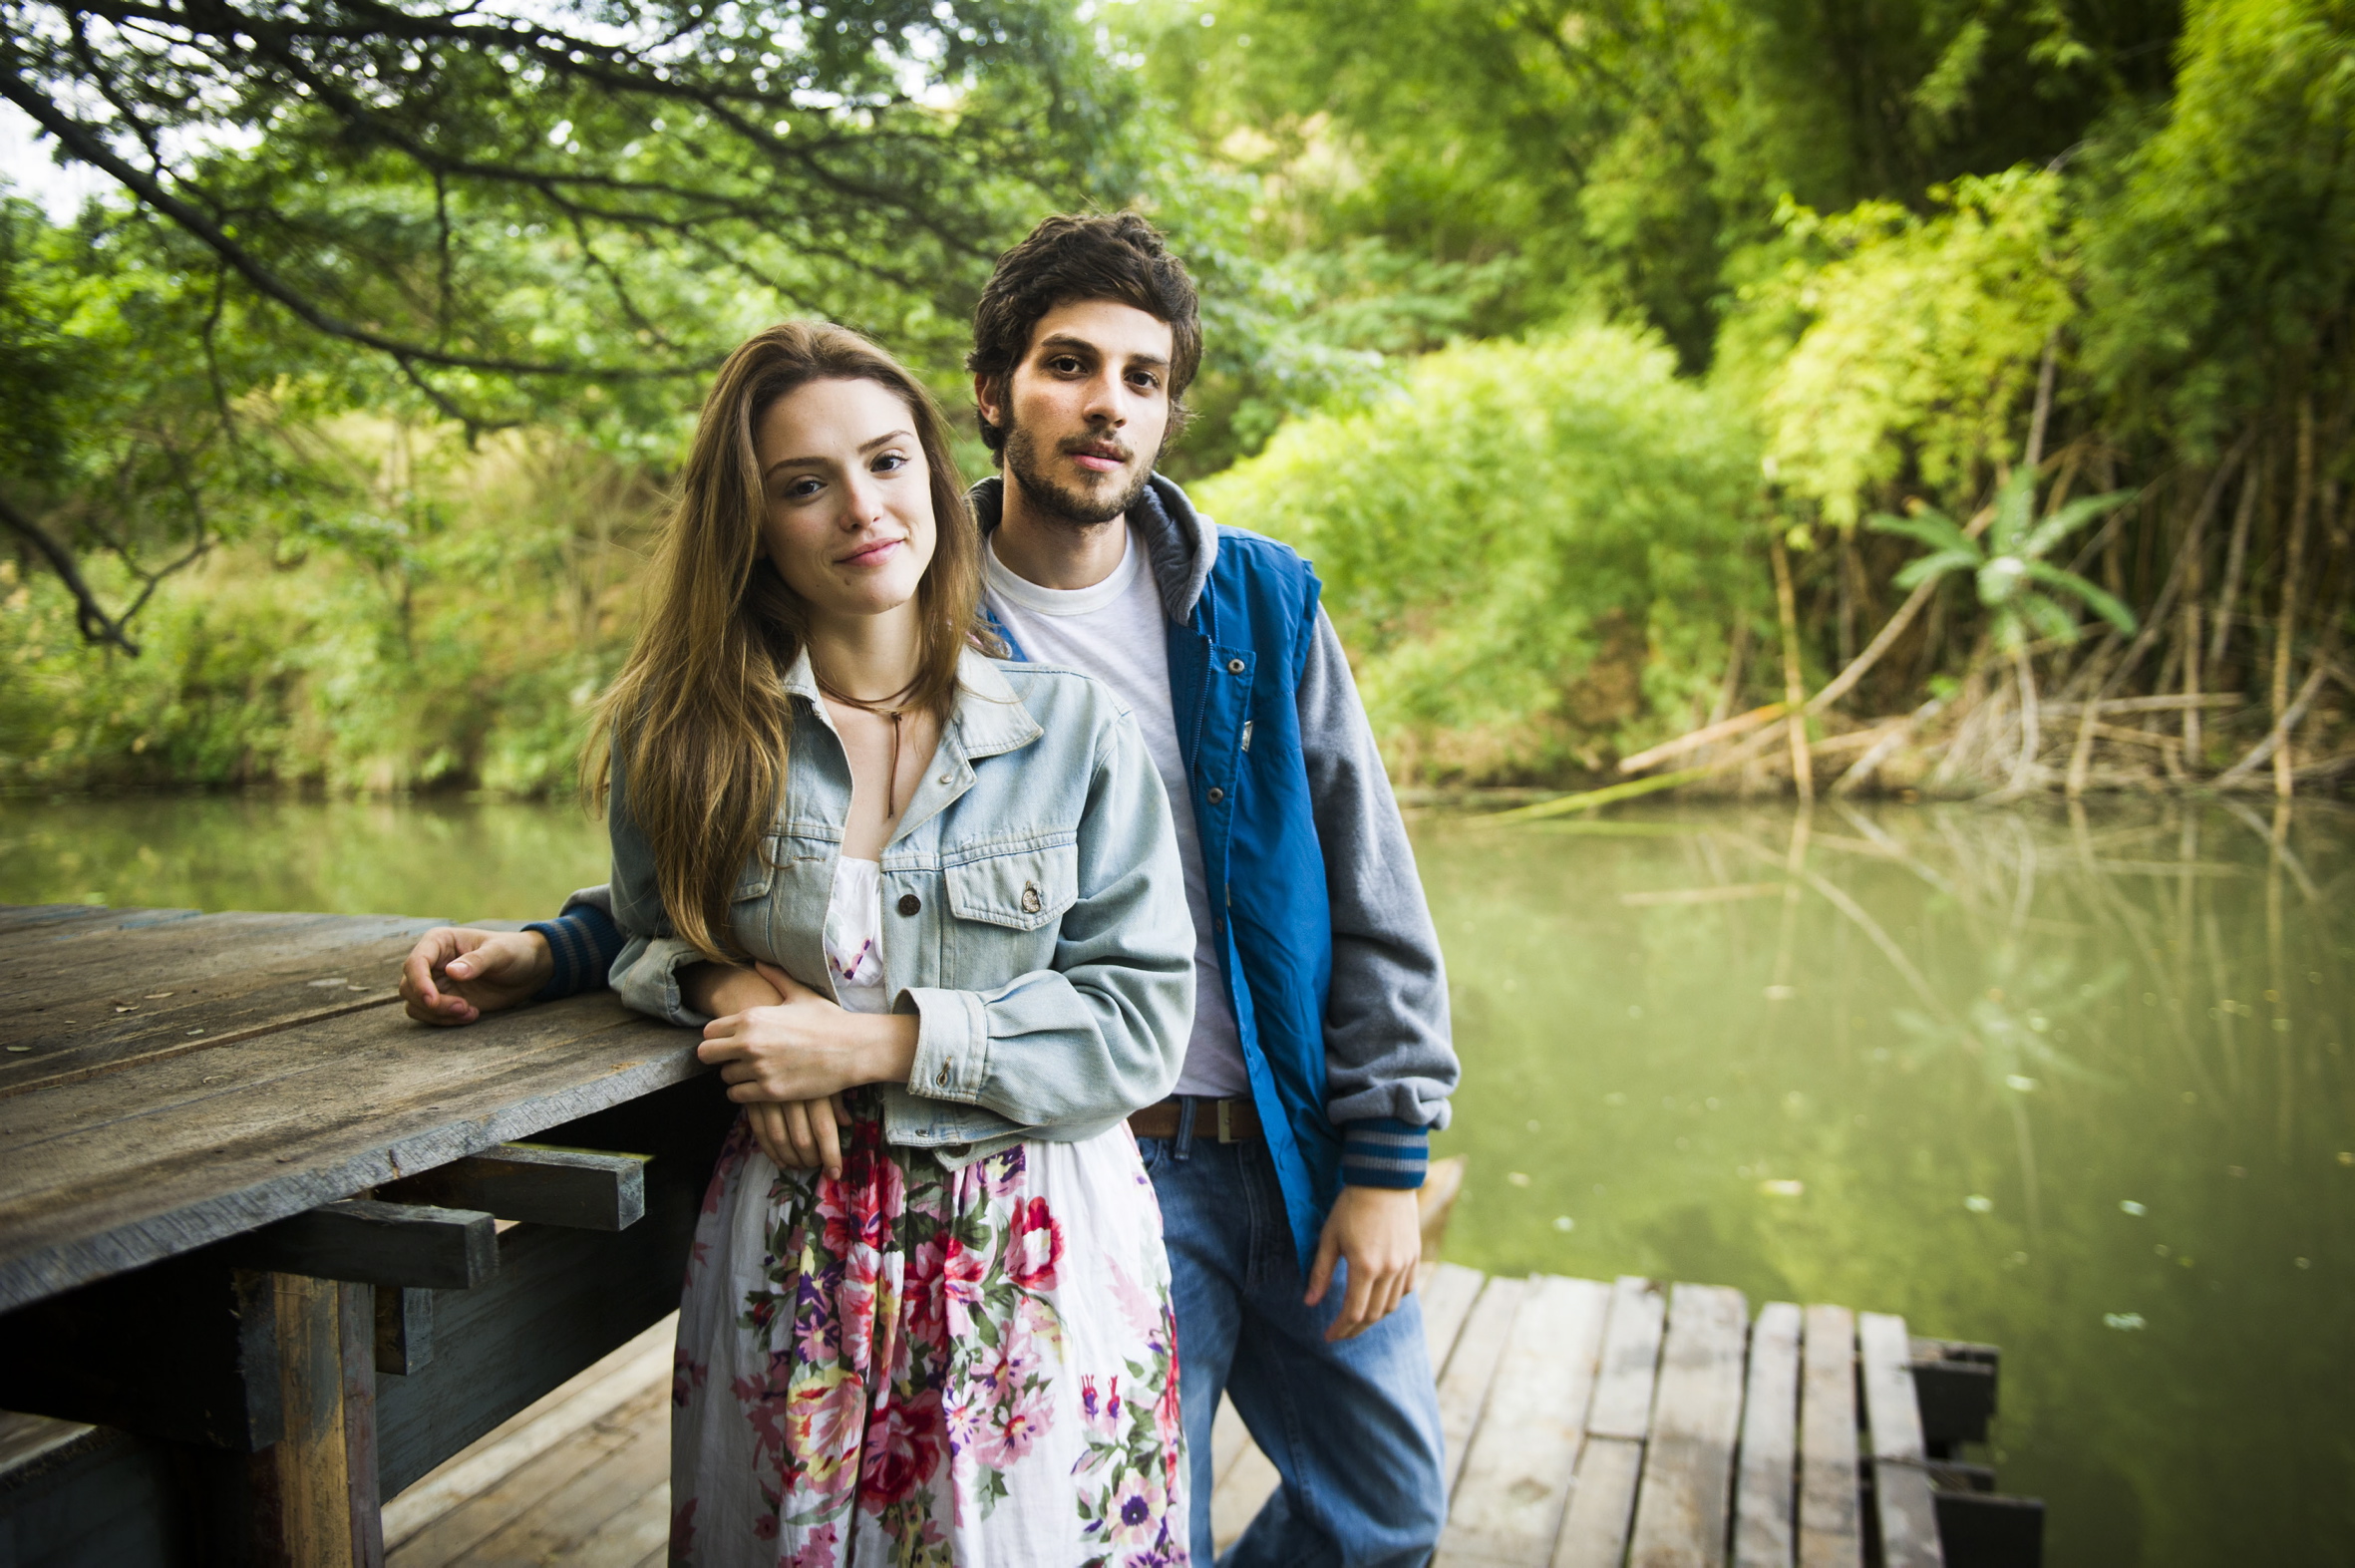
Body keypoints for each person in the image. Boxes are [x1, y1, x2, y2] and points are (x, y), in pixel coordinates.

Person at [403, 214, 1460, 1568]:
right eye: (1069, 365)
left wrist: (1387, 1152)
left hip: (1290, 1131)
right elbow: (756, 866)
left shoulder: (1250, 601)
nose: (1106, 405)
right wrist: (562, 949)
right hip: (1087, 1137)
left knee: (1386, 1514)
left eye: (1142, 378)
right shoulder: (898, 596)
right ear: (991, 392)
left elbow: (1373, 888)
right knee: (1144, 1523)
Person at [560, 319, 1197, 1566]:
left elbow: (1139, 1024)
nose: (863, 507)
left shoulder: (1074, 735)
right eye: (804, 485)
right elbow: (642, 935)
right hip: (792, 1255)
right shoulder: (678, 738)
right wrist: (722, 982)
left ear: (934, 476)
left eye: (889, 461)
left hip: (1032, 1255)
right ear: (750, 523)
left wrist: (862, 1045)